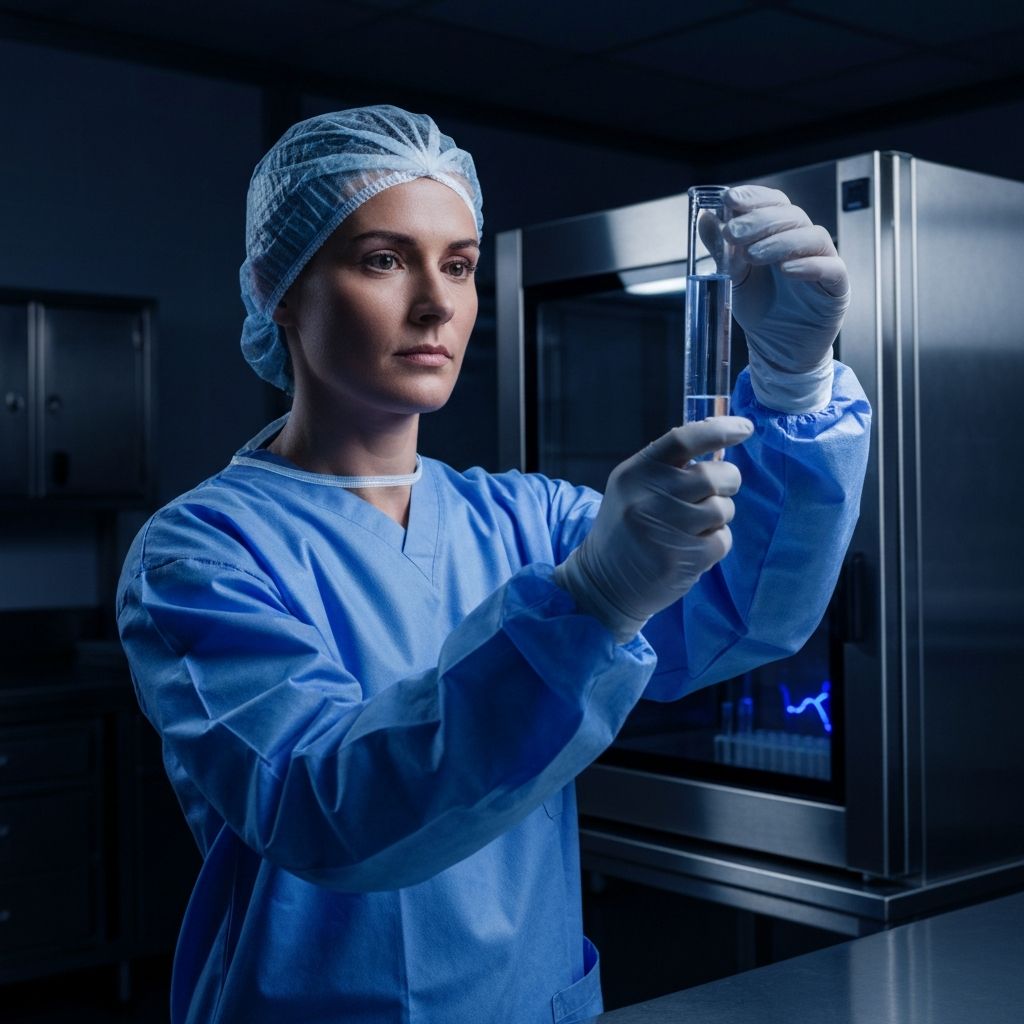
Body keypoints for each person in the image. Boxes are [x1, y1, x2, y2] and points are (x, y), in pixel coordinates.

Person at [116, 105, 870, 1024]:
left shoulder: (527, 515)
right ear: (281, 287)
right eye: (384, 259)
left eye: (461, 264)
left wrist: (797, 380)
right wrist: (586, 603)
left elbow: (737, 616)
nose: (436, 301)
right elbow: (319, 806)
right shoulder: (200, 551)